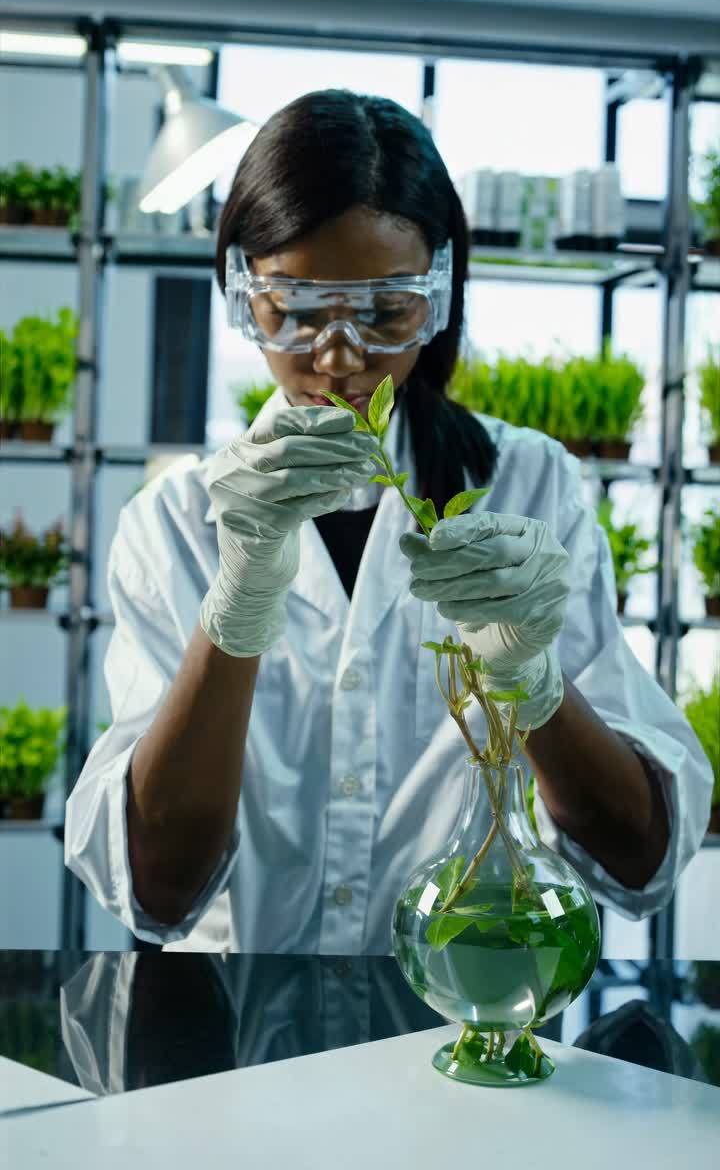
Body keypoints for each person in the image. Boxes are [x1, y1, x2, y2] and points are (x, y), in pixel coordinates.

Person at [65, 89, 712, 953]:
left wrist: (533, 679)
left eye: (384, 310)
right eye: (291, 307)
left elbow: (639, 860)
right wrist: (237, 604)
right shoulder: (176, 523)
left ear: (439, 292)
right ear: (240, 290)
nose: (337, 357)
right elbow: (157, 890)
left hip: (468, 1027)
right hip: (235, 1045)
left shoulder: (527, 485)